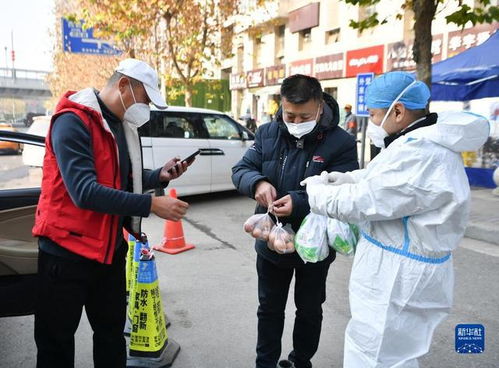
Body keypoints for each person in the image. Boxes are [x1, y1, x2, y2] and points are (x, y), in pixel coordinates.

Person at [301, 71, 490, 367]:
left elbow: (367, 200)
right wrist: (345, 178)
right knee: (395, 353)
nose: (373, 123)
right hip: (405, 265)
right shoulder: (418, 143)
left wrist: (316, 194)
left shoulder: (422, 152)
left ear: (398, 111)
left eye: (375, 115)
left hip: (398, 273)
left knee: (374, 353)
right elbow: (382, 180)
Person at [32, 58, 192, 368]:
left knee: (110, 336)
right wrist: (150, 204)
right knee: (56, 345)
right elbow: (84, 191)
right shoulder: (73, 121)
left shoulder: (120, 124)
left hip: (108, 253)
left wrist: (159, 175)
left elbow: (121, 176)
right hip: (65, 253)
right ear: (123, 86)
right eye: (144, 99)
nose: (144, 108)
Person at [232, 74, 358, 368]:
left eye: (304, 115)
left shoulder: (341, 142)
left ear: (319, 107)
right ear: (282, 106)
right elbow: (242, 168)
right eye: (290, 114)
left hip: (314, 247)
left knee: (310, 309)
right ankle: (265, 363)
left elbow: (345, 189)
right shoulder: (267, 133)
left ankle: (300, 360)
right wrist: (258, 183)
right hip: (271, 242)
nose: (296, 120)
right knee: (269, 308)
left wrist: (299, 201)